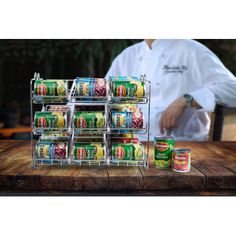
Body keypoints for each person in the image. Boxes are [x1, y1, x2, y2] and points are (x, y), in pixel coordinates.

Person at [105, 39, 236, 141]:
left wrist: (187, 100)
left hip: (185, 148)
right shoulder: (127, 56)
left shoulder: (191, 50)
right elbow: (104, 101)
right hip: (134, 148)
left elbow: (232, 88)